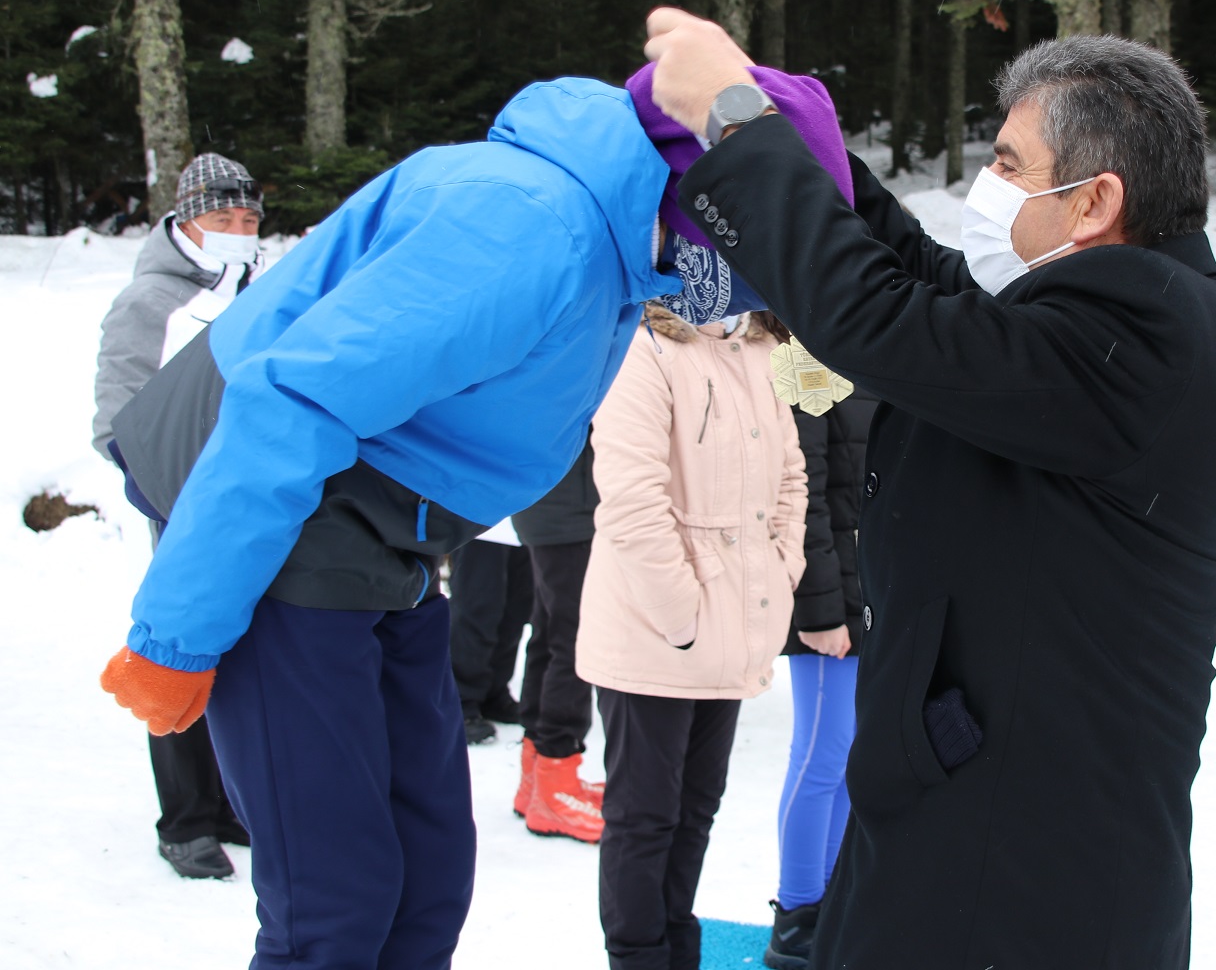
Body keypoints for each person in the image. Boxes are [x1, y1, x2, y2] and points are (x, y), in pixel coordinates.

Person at [95, 75, 809, 969]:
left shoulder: (626, 252)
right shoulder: (524, 230)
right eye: (783, 244)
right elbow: (288, 401)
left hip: (382, 531)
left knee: (428, 879)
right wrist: (178, 637)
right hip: (278, 511)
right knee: (337, 905)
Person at [642, 11, 1216, 969]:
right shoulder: (1142, 310)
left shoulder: (1147, 333)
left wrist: (735, 120)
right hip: (984, 812)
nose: (990, 188)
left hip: (1019, 862)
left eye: (1013, 165)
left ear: (1094, 200)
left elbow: (886, 322)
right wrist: (822, 164)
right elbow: (938, 298)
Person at [575, 304, 807, 970]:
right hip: (654, 633)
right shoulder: (643, 347)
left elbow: (791, 476)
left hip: (735, 623)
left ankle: (679, 949)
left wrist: (781, 569)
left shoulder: (760, 348)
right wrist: (683, 614)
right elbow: (630, 497)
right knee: (644, 818)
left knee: (696, 808)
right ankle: (639, 957)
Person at [91, 152, 262, 880]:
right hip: (184, 505)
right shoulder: (150, 301)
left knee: (243, 655)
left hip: (254, 500)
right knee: (181, 650)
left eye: (248, 220)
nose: (236, 231)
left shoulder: (259, 291)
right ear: (185, 222)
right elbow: (117, 418)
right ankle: (186, 818)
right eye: (220, 218)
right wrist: (167, 494)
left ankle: (228, 800)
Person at [765, 382, 877, 970]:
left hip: (873, 595)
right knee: (820, 757)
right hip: (828, 604)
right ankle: (797, 913)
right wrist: (821, 610)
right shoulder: (807, 360)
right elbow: (802, 494)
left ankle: (829, 899)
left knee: (848, 761)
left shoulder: (883, 359)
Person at [513, 433, 608, 842]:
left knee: (552, 634)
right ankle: (555, 778)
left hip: (554, 501)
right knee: (574, 642)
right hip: (570, 509)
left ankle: (537, 774)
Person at [447, 522, 533, 744]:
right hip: (480, 515)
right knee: (477, 605)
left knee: (515, 607)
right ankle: (460, 700)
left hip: (523, 513)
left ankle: (494, 692)